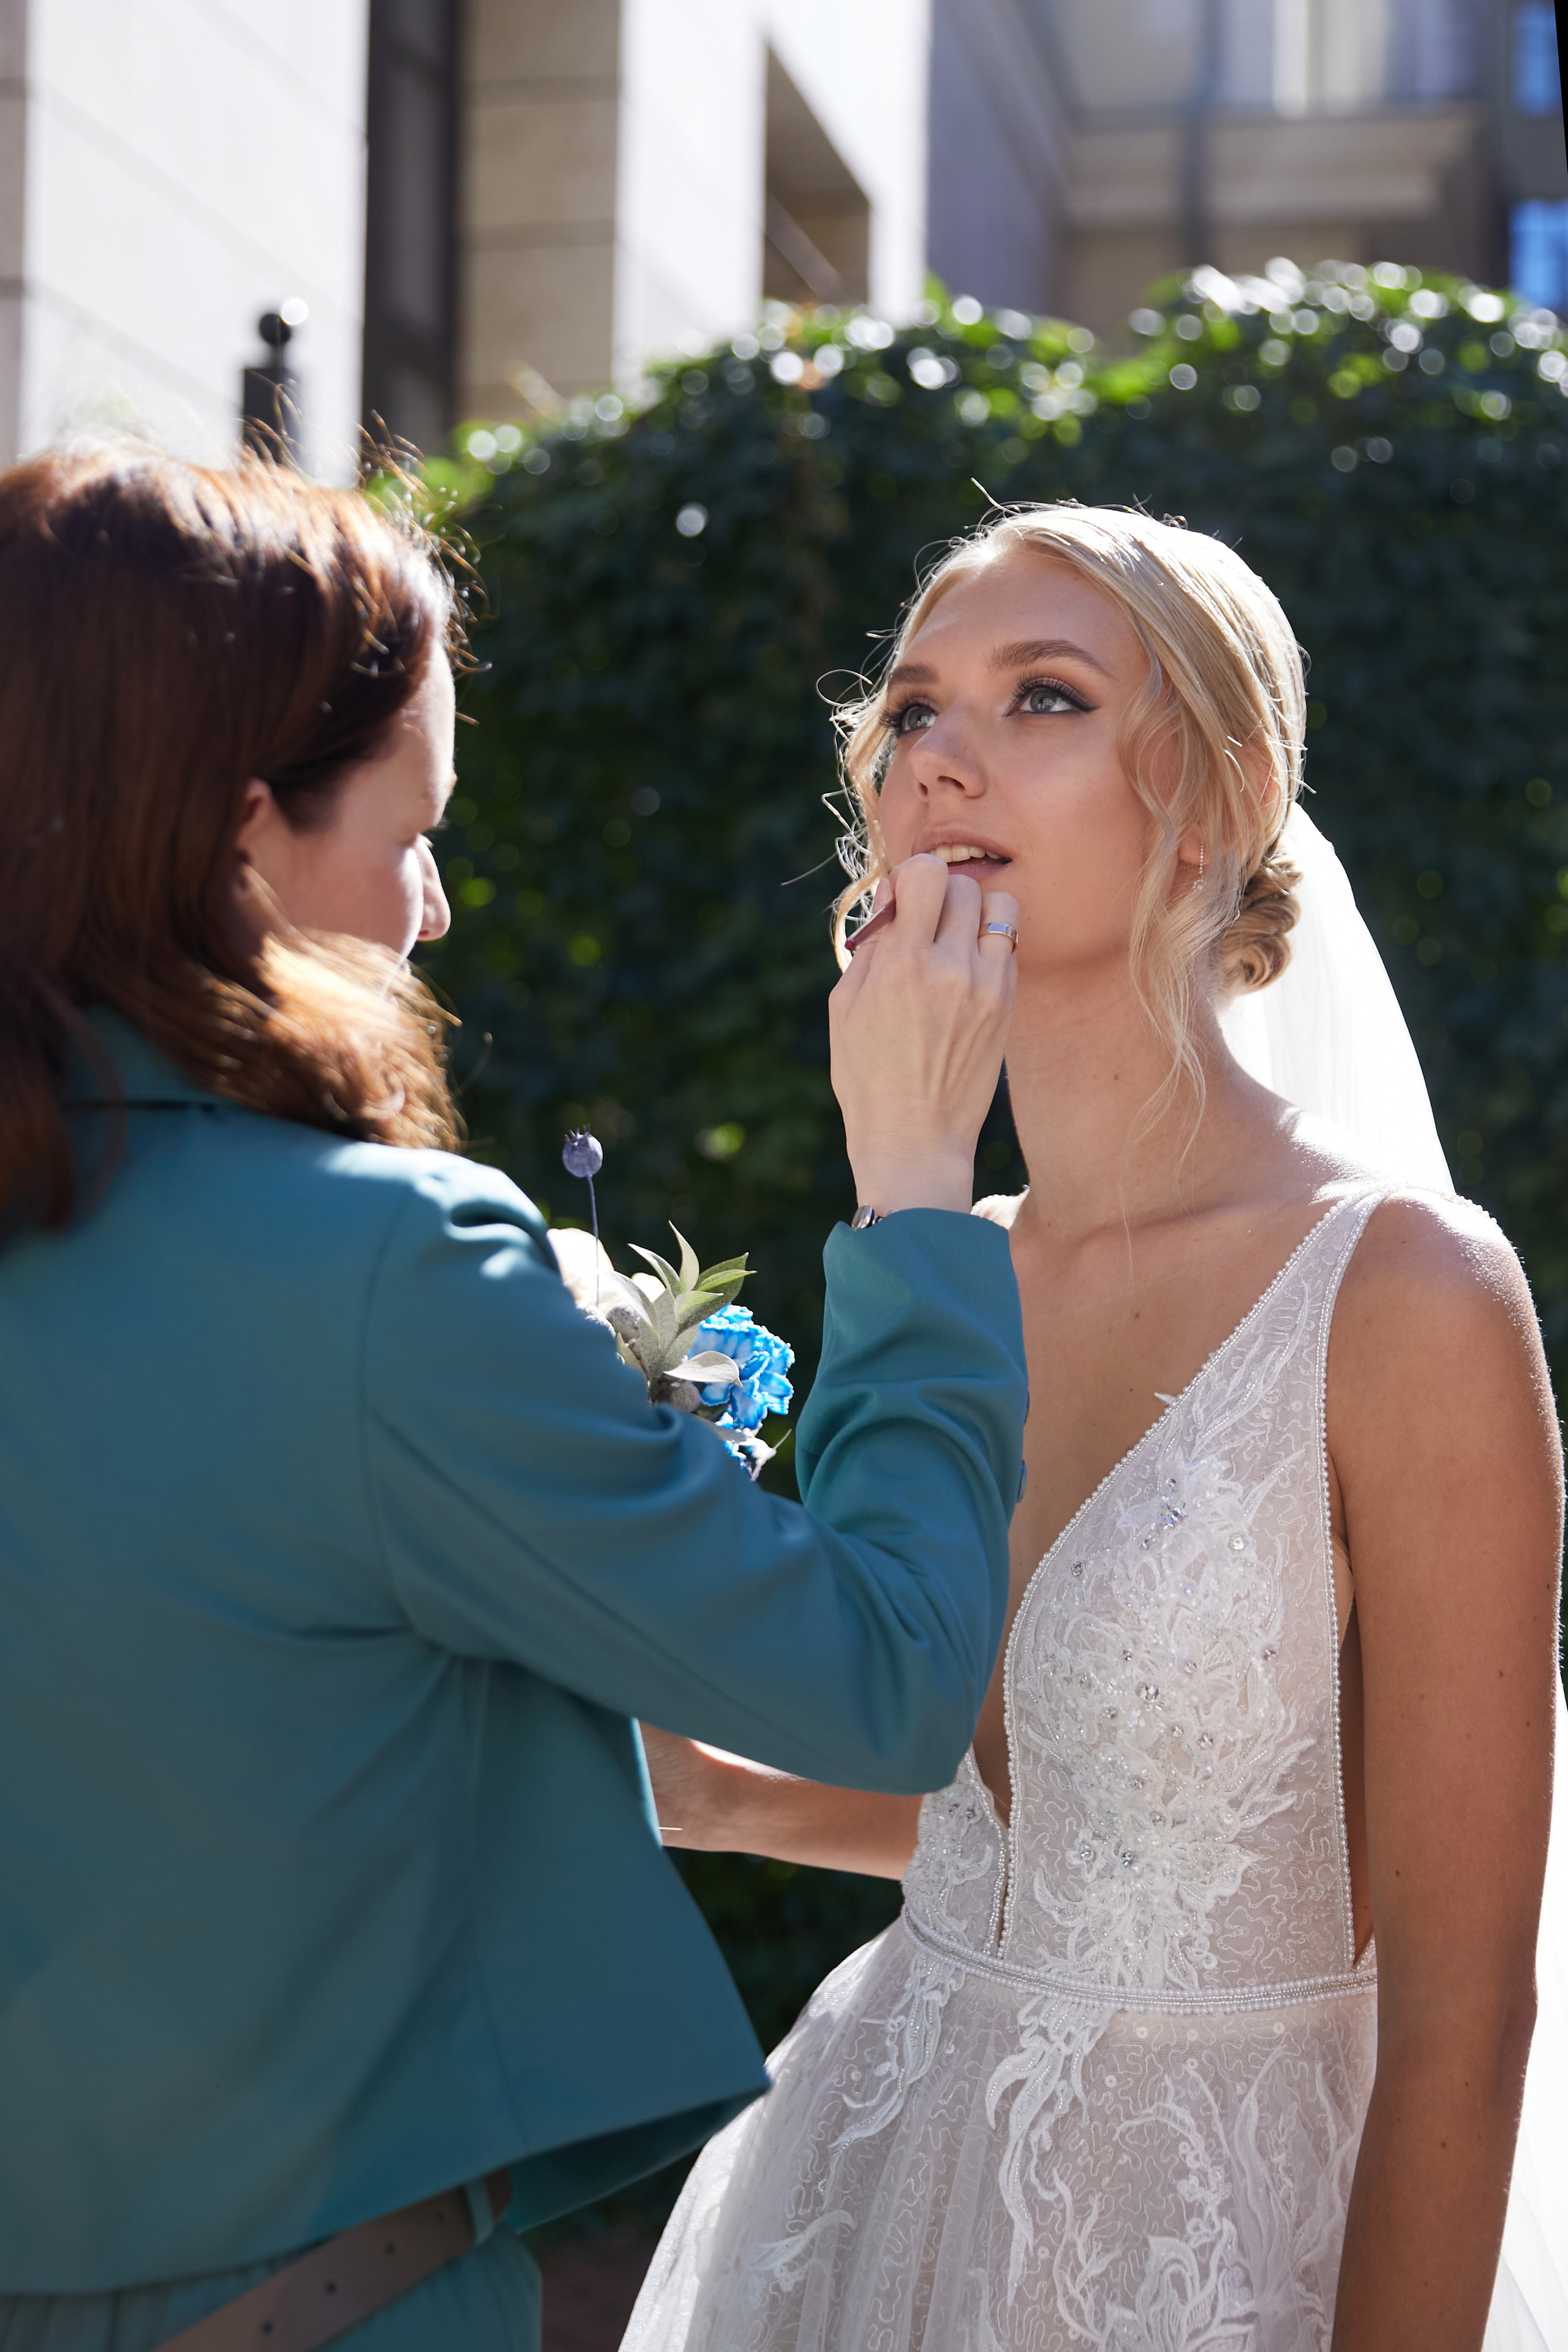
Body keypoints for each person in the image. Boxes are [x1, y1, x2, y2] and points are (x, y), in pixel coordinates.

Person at [0, 446, 1029, 2352]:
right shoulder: (381, 1273)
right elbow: (885, 1688)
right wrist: (913, 1195)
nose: (438, 910)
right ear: (243, 841)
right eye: (413, 835)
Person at [627, 503, 1568, 2352]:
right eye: (909, 713)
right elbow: (1021, 1817)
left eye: (1041, 697)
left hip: (1211, 2261)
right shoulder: (935, 1266)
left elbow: (1471, 2008)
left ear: (1219, 793)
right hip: (869, 2195)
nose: (940, 755)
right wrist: (695, 1759)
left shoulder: (1403, 1298)